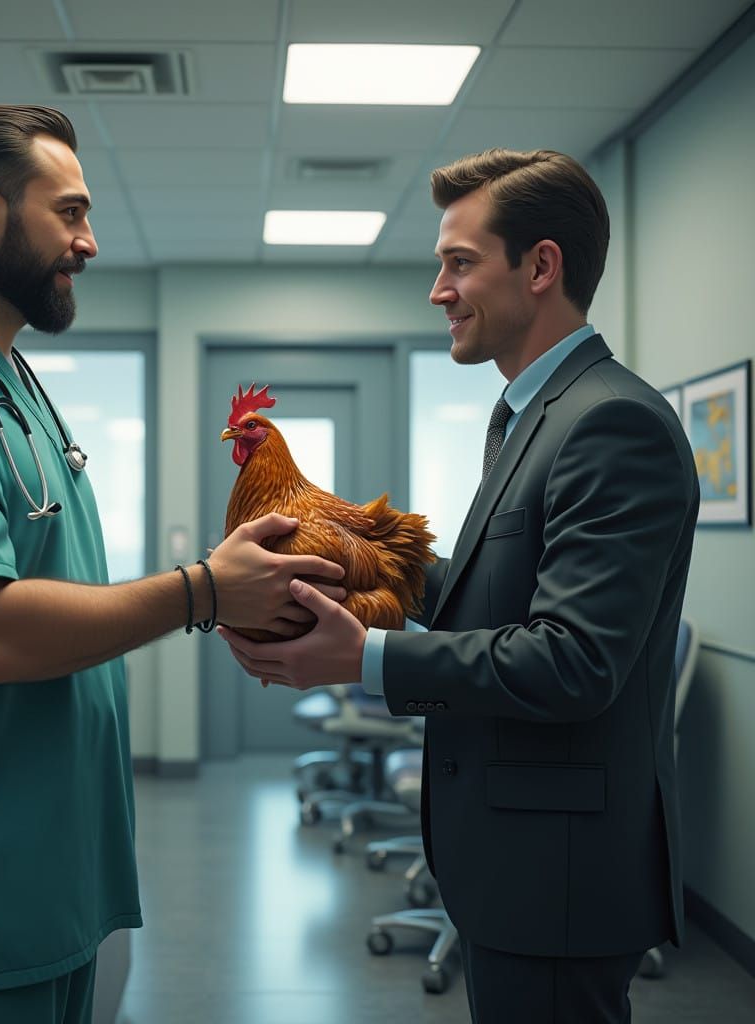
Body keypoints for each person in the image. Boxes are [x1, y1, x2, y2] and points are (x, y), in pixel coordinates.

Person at [0, 104, 345, 1023]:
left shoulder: (6, 376)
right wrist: (203, 590)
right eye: (72, 212)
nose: (90, 242)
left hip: (45, 880)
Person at [219, 148, 700, 1024]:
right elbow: (497, 596)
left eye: (459, 263)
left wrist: (369, 657)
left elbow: (574, 662)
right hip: (511, 862)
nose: (438, 289)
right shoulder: (531, 416)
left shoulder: (612, 423)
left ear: (541, 266)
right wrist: (358, 556)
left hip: (555, 875)